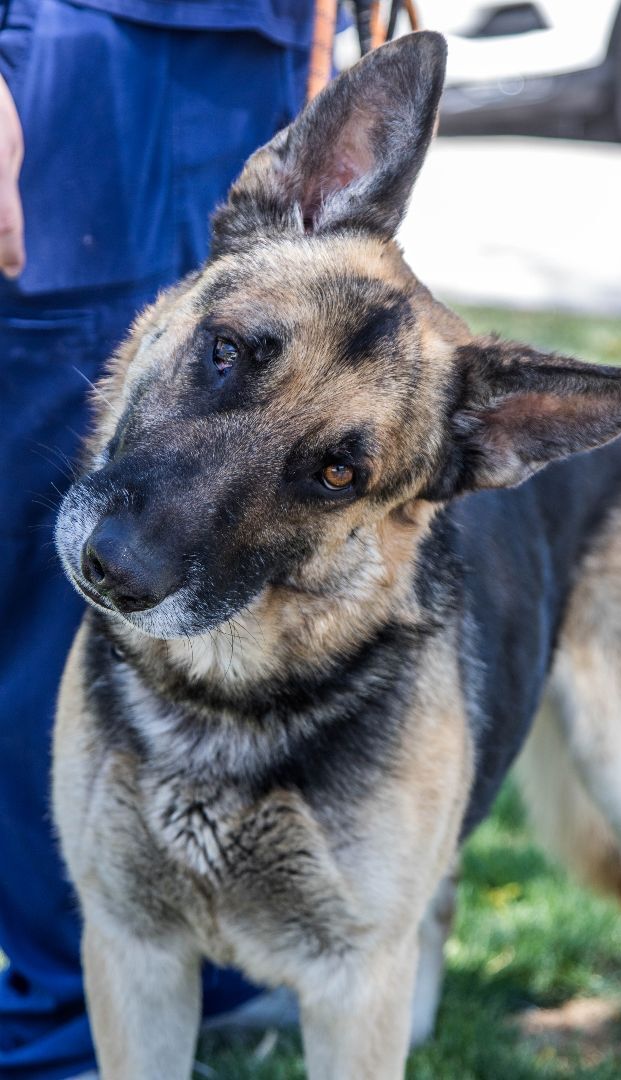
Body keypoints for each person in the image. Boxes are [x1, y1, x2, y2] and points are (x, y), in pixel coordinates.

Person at [0, 3, 313, 1076]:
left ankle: (208, 972)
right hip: (73, 52)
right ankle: (67, 1022)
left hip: (255, 48)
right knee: (67, 585)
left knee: (229, 547)